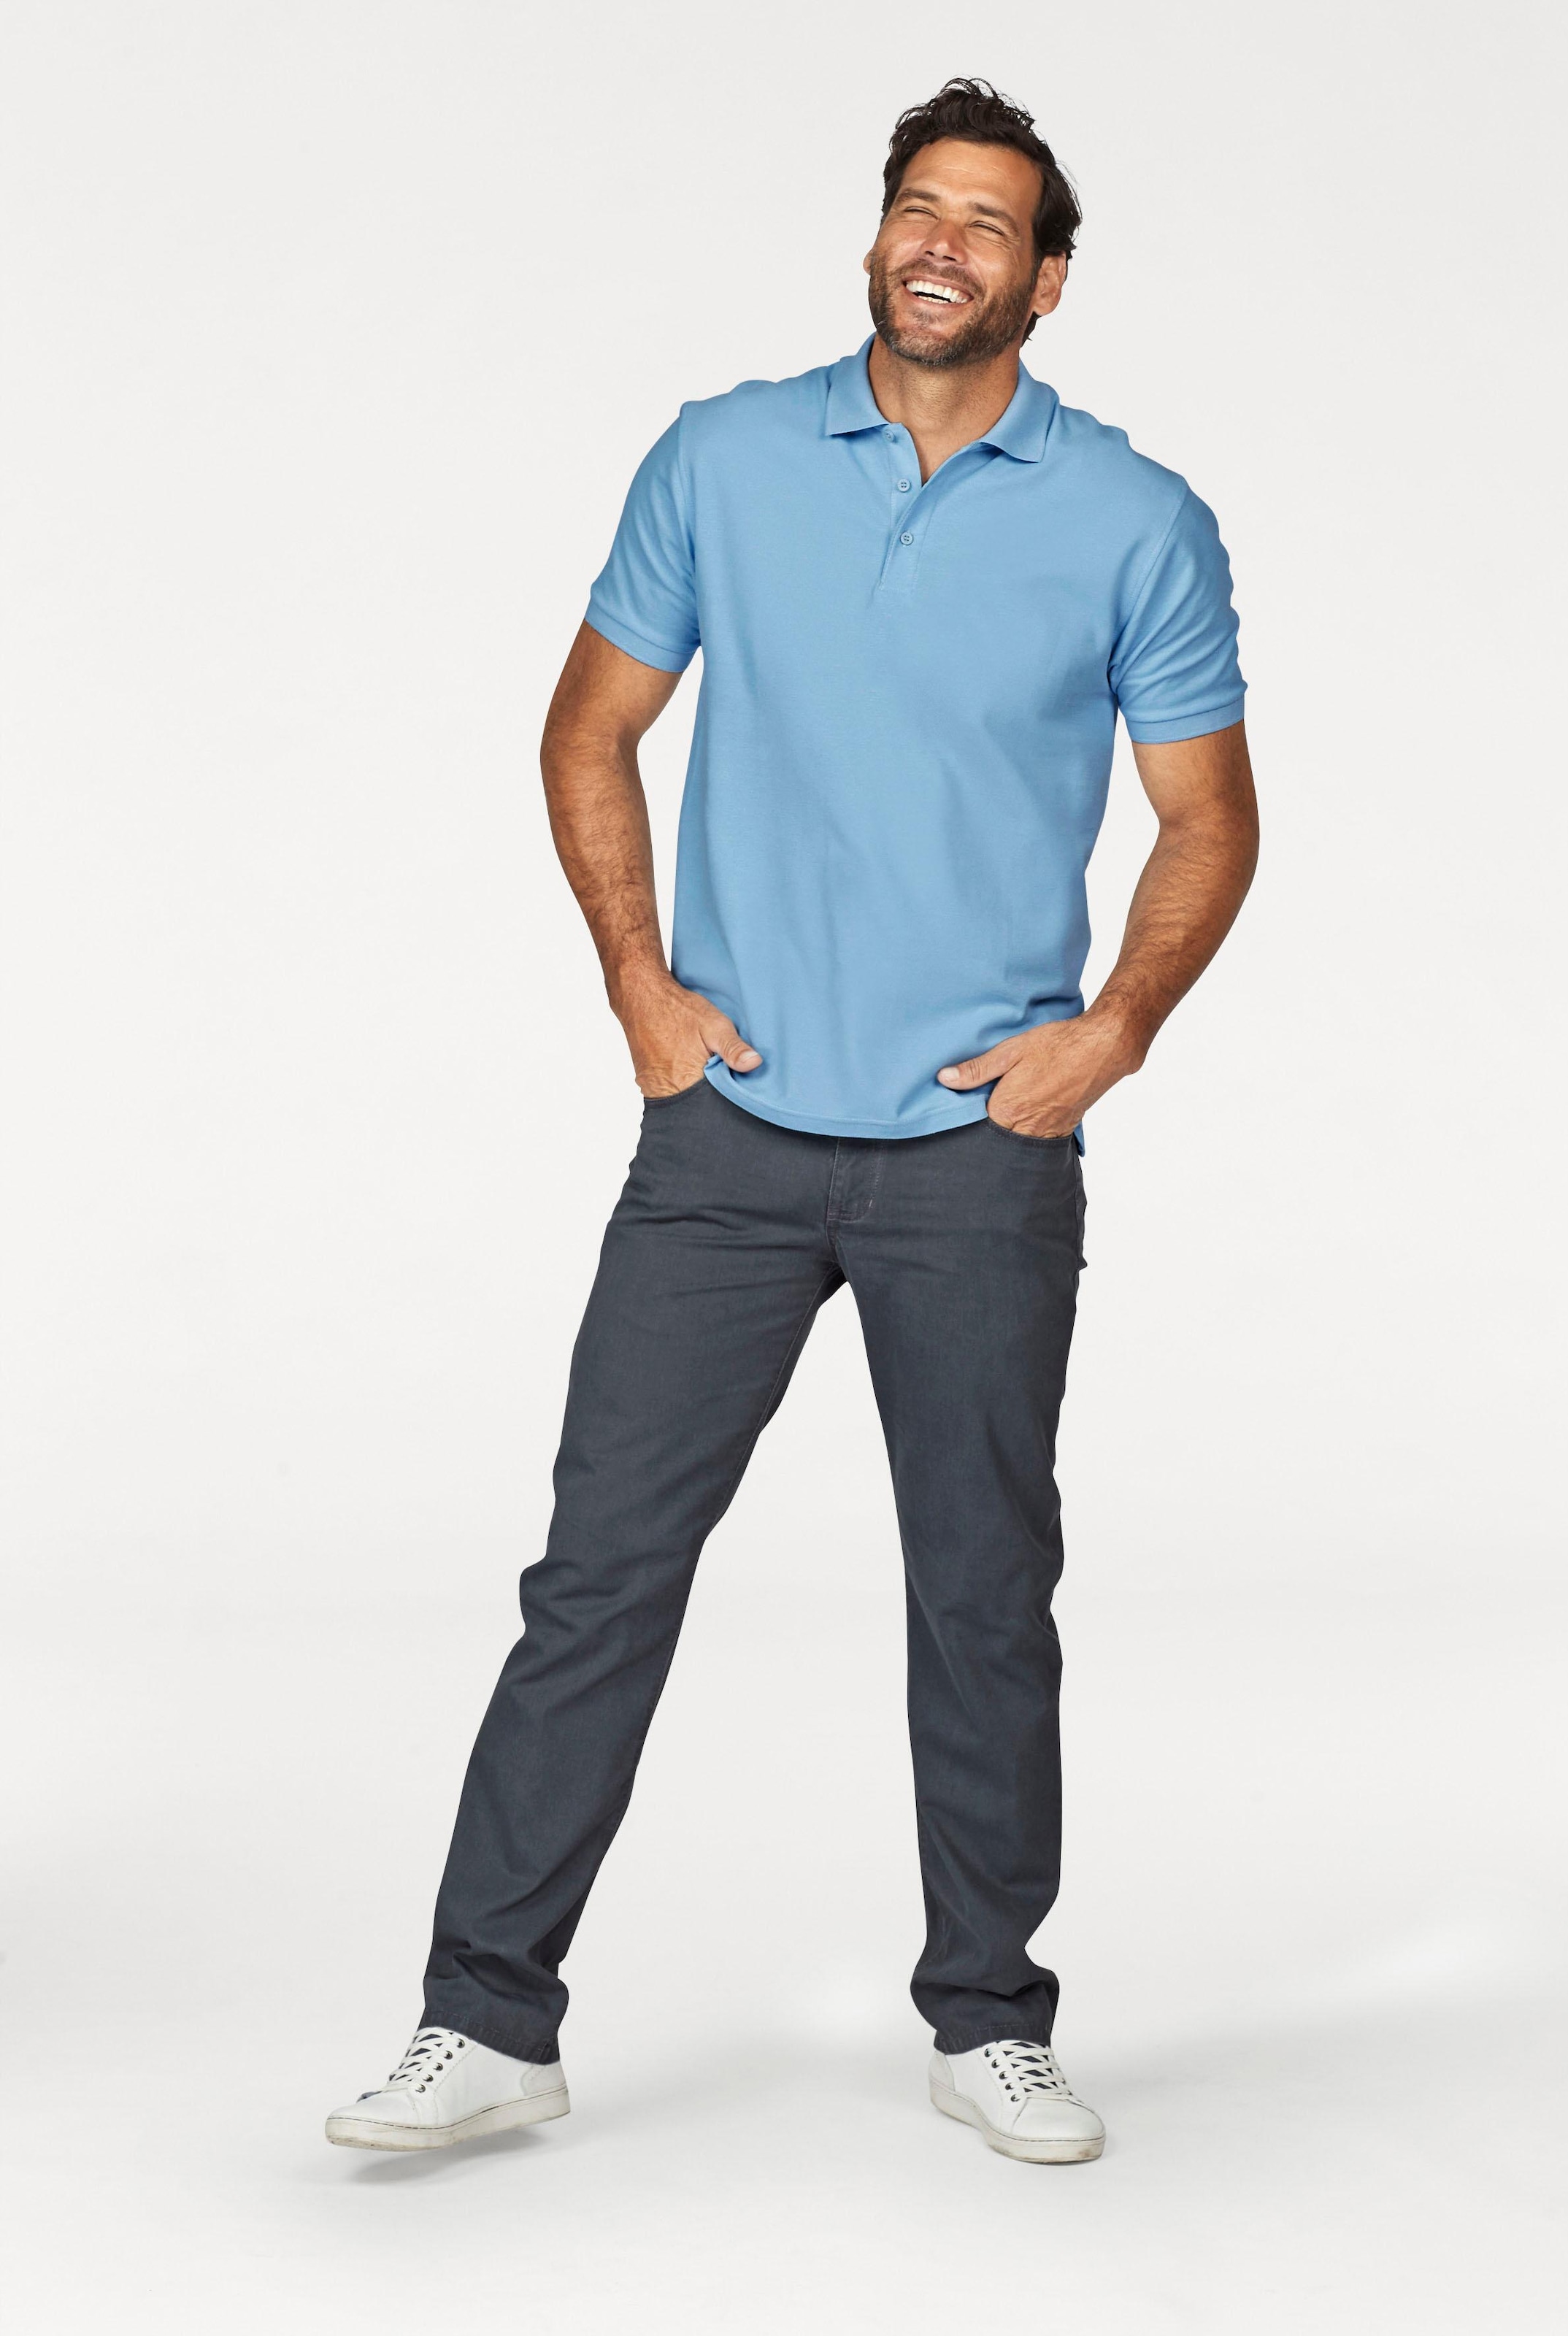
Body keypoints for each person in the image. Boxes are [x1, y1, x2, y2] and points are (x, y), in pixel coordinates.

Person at [326, 77, 1257, 2167]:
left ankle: (988, 2018)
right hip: (728, 1142)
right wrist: (638, 989)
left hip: (979, 1150)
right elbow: (589, 728)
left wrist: (1113, 1032)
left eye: (988, 224)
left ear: (1049, 278)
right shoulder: (724, 457)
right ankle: (486, 2021)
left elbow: (1209, 817)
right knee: (599, 1579)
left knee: (982, 1593)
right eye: (917, 207)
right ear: (875, 234)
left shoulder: (1133, 516)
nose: (942, 245)